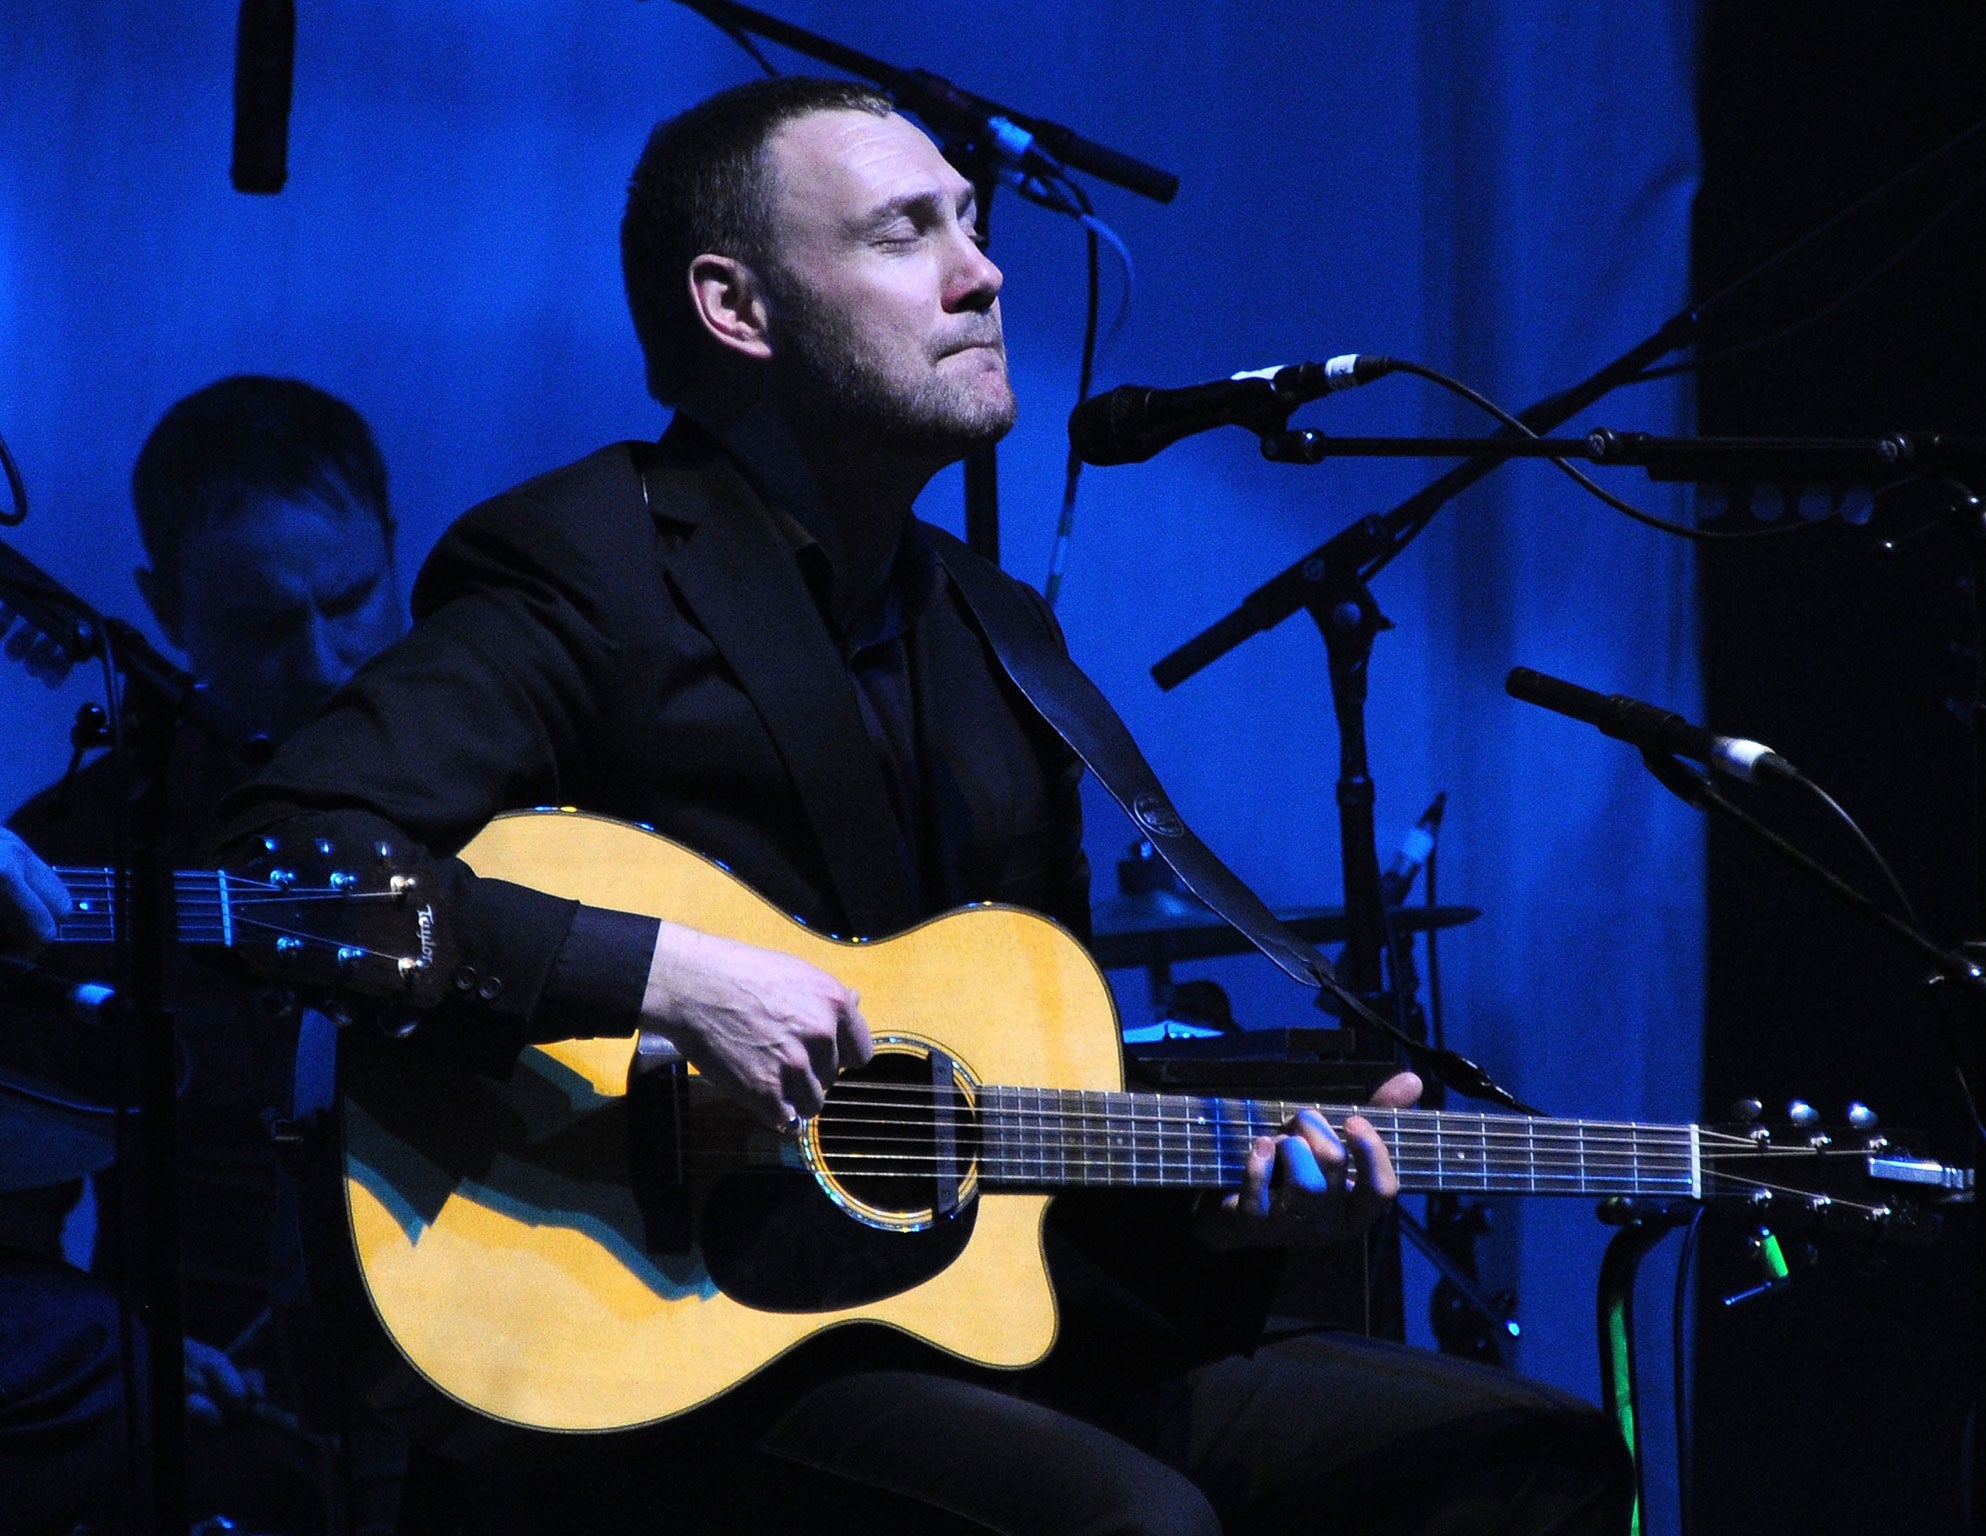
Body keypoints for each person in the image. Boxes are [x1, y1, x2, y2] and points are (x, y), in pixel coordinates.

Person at [212, 78, 1634, 1535]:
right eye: (908, 232)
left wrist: (1229, 1213)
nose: (986, 270)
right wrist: (663, 978)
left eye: (972, 220)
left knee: (1528, 1454)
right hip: (660, 1350)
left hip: (941, 1323)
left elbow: (1041, 1129)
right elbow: (285, 870)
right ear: (737, 306)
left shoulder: (999, 640)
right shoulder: (581, 564)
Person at [1, 376, 408, 1533]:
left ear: (392, 539)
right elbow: (11, 1238)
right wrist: (122, 1350)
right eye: (264, 627)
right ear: (162, 609)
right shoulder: (73, 861)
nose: (327, 661)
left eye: (353, 597)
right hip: (224, 1426)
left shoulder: (516, 793)